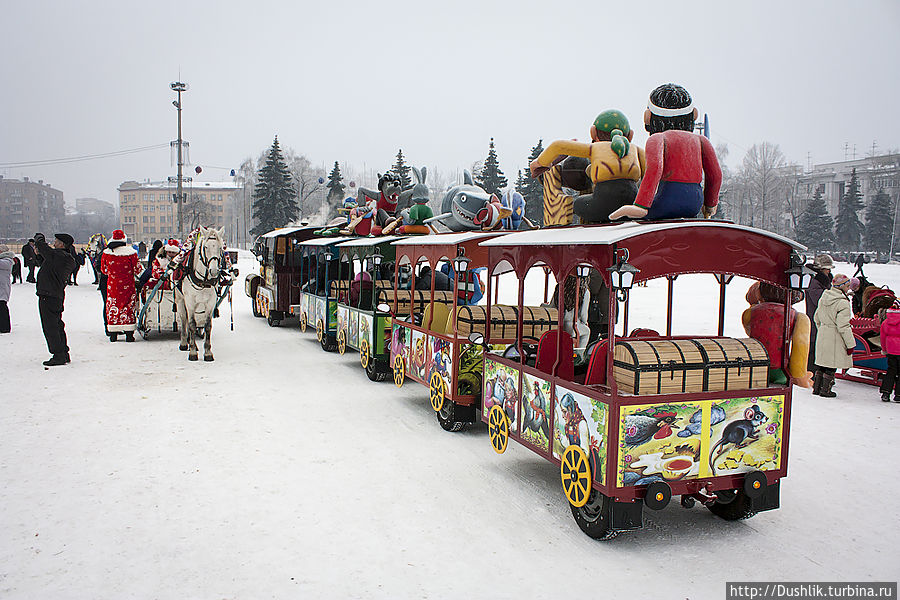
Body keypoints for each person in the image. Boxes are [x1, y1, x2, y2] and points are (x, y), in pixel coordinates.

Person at [609, 83, 722, 221]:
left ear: (648, 117)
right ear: (694, 115)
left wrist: (641, 205)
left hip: (667, 200)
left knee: (630, 216)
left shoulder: (658, 138)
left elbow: (655, 169)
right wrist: (710, 204)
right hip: (694, 204)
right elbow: (715, 174)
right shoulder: (701, 141)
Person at [34, 232, 76, 366]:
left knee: (50, 326)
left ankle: (58, 354)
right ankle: (63, 352)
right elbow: (48, 264)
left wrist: (39, 240)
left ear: (62, 244)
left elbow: (47, 252)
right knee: (57, 324)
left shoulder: (60, 256)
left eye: (56, 241)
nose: (54, 243)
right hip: (54, 295)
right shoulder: (62, 257)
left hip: (49, 295)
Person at [813, 274, 855, 397]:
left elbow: (816, 318)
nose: (848, 289)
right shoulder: (842, 302)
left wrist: (823, 330)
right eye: (847, 286)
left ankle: (817, 388)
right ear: (841, 287)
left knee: (822, 363)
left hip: (823, 334)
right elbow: (843, 326)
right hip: (835, 335)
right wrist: (850, 344)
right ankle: (826, 390)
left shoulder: (824, 297)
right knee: (831, 364)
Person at [101, 229, 142, 342]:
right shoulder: (131, 252)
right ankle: (129, 334)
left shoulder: (106, 253)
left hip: (113, 286)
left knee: (113, 306)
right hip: (128, 285)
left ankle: (113, 334)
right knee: (128, 306)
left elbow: (103, 270)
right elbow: (138, 269)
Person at [805, 253, 834, 372]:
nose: (829, 272)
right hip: (815, 319)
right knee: (813, 345)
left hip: (822, 320)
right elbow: (821, 301)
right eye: (827, 269)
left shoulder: (821, 282)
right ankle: (811, 372)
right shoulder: (814, 283)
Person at [879, 308, 900, 403]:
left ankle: (885, 393)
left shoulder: (885, 322)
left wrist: (884, 349)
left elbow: (882, 338)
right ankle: (898, 395)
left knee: (891, 371)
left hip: (891, 350)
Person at [0, 244, 14, 333]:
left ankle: (5, 327)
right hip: (2, 287)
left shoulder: (7, 261)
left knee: (2, 307)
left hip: (3, 287)